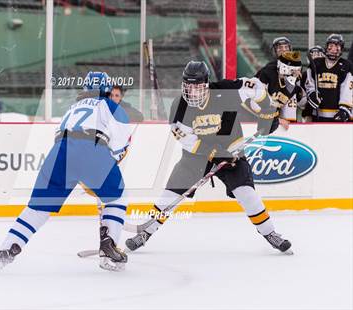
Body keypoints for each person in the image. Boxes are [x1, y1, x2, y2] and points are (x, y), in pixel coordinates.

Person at [125, 61, 292, 255]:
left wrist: (267, 111)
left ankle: (270, 233)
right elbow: (190, 142)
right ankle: (146, 231)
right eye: (189, 85)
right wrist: (216, 153)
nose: (193, 90)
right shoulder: (179, 106)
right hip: (196, 157)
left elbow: (255, 85)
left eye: (197, 86)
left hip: (232, 150)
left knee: (247, 194)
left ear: (206, 84)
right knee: (170, 195)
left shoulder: (225, 91)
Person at [0, 72, 132, 272]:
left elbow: (64, 138)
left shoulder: (72, 108)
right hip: (92, 150)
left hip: (59, 152)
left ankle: (4, 252)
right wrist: (102, 168)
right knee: (117, 197)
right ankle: (108, 245)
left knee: (37, 209)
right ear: (106, 89)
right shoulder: (110, 106)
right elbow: (120, 146)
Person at [255, 37, 304, 125]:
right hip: (273, 120)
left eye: (286, 47)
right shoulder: (268, 70)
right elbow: (259, 96)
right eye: (280, 48)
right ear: (274, 51)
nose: (284, 50)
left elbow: (300, 96)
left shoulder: (297, 68)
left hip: (292, 120)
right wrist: (276, 119)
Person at [305, 34, 353, 122]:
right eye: (331, 46)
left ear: (341, 49)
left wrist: (344, 109)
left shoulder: (346, 65)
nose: (333, 49)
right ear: (326, 47)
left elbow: (347, 89)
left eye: (337, 46)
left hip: (337, 114)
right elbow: (309, 83)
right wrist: (311, 93)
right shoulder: (316, 63)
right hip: (317, 114)